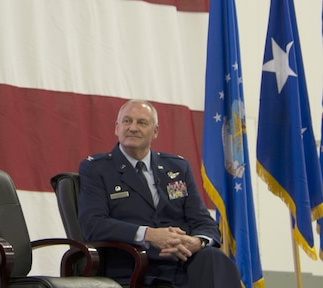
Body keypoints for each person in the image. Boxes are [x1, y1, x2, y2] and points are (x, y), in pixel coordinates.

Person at [77, 100, 241, 288]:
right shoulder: (97, 168)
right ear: (117, 128)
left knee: (214, 258)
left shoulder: (177, 167)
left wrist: (196, 242)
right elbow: (93, 224)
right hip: (136, 266)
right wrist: (149, 235)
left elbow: (204, 222)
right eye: (127, 121)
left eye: (142, 123)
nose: (133, 128)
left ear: (155, 131)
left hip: (182, 263)